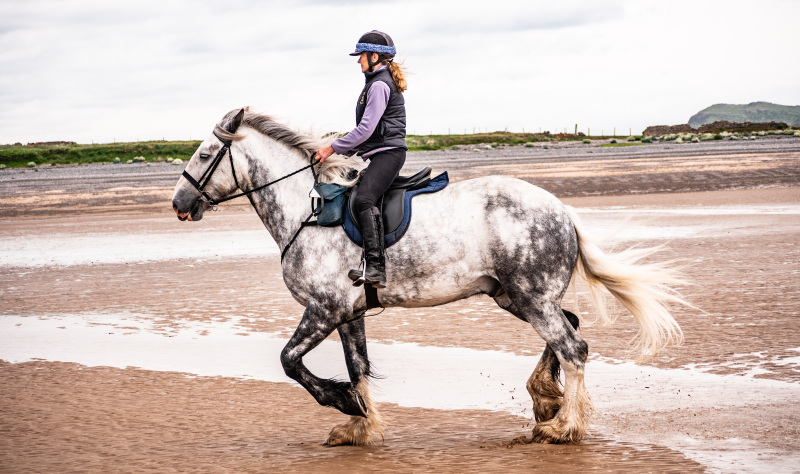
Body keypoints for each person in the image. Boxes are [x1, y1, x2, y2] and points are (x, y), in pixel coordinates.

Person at [316, 30, 408, 289]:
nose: (358, 61)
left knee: (364, 199)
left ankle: (376, 268)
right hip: (382, 152)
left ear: (374, 56)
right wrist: (344, 153)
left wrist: (332, 148)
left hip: (389, 154)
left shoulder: (379, 85)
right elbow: (370, 134)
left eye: (361, 56)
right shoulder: (376, 82)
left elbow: (366, 129)